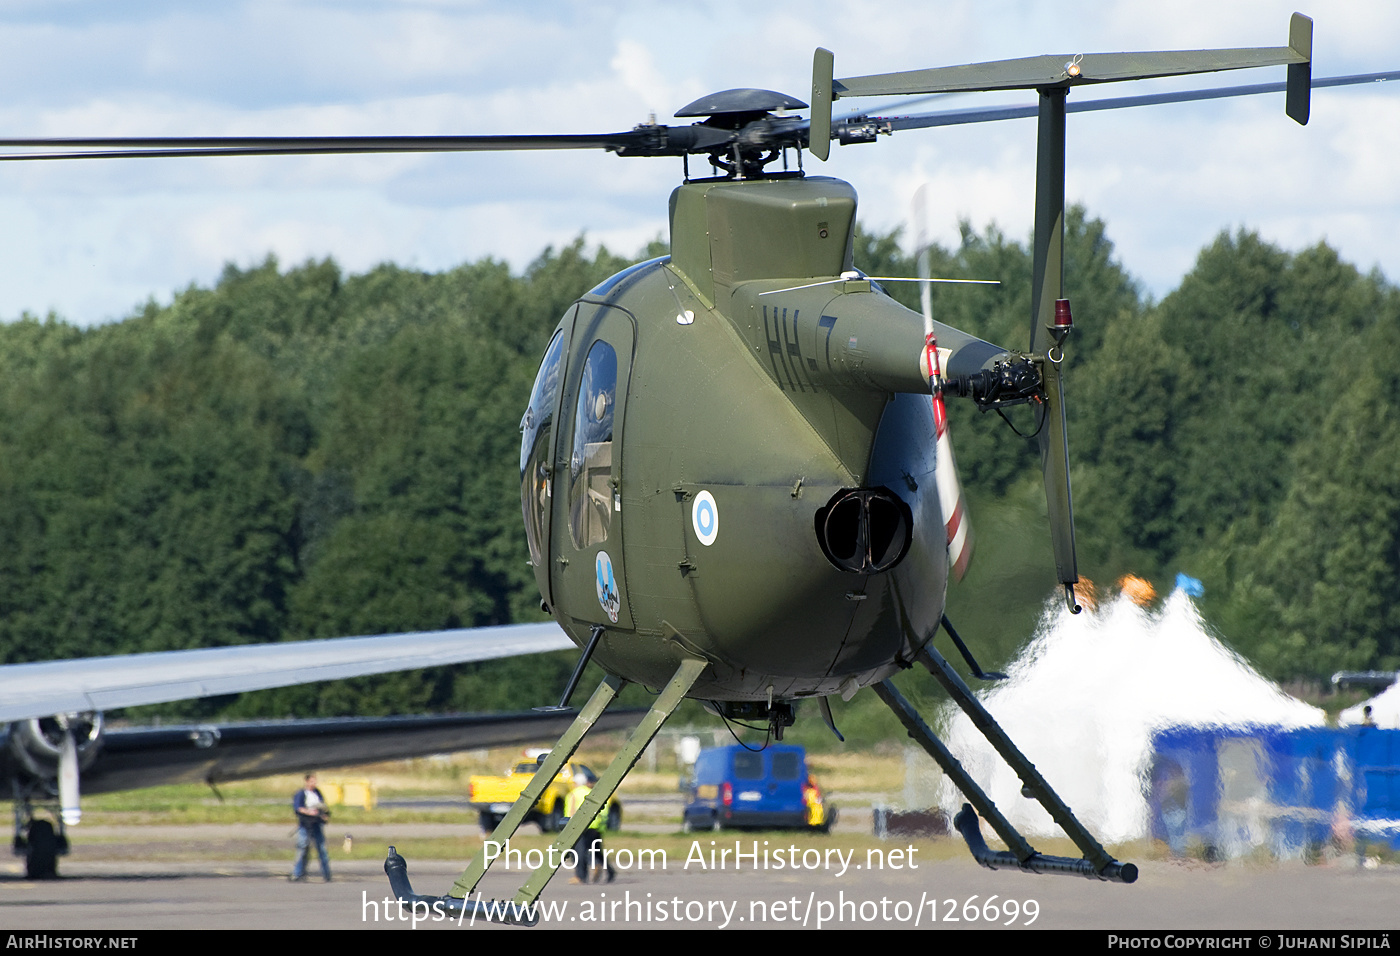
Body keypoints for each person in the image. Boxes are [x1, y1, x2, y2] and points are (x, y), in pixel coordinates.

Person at [564, 773, 615, 884]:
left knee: (578, 852)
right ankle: (610, 871)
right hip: (596, 827)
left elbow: (572, 811)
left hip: (580, 827)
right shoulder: (594, 793)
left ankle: (581, 876)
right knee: (596, 852)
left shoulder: (575, 793)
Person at [290, 772, 331, 882]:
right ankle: (297, 874)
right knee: (302, 849)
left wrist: (324, 815)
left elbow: (323, 805)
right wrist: (310, 812)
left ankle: (327, 874)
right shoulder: (301, 793)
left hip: (317, 824)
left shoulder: (317, 793)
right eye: (312, 781)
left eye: (315, 781)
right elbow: (298, 808)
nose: (314, 783)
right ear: (307, 781)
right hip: (305, 825)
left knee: (321, 849)